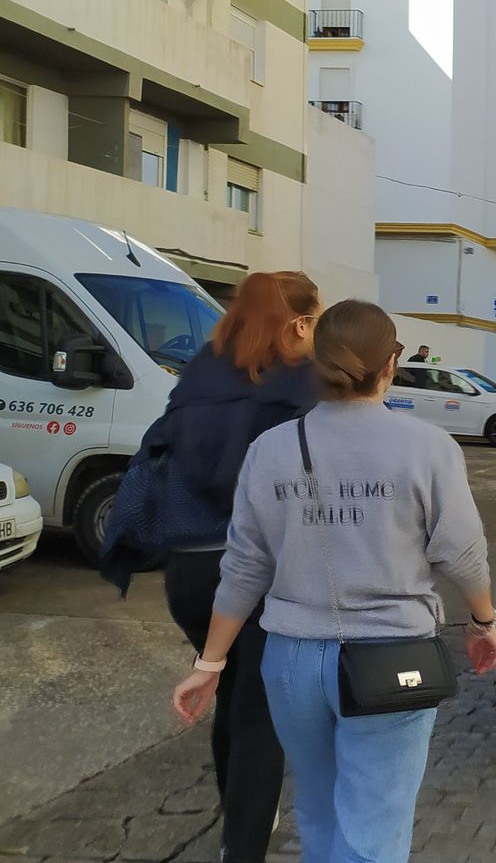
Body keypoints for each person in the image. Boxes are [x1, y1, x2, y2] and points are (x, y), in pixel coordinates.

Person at [172, 300, 496, 863]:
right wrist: (482, 621)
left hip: (292, 661)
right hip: (393, 659)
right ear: (390, 364)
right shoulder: (428, 448)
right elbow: (462, 552)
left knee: (318, 813)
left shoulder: (270, 449)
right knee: (375, 828)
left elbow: (245, 566)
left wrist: (210, 664)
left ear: (317, 363)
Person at [100, 271, 320, 862]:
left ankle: (238, 822)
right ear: (298, 323)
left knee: (235, 694)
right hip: (259, 573)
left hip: (190, 576)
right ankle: (243, 847)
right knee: (259, 713)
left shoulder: (199, 373)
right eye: (315, 322)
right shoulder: (303, 384)